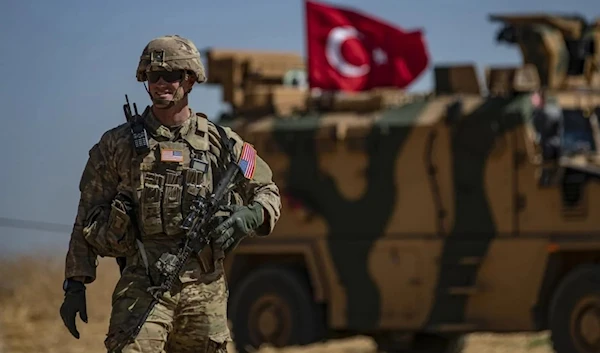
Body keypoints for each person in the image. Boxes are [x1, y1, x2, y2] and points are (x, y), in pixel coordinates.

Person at [59, 34, 282, 353]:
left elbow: (267, 190)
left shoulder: (223, 142)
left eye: (172, 75)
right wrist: (75, 283)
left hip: (204, 292)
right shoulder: (116, 145)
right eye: (154, 76)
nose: (162, 83)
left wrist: (250, 216)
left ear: (189, 80)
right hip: (143, 283)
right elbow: (88, 211)